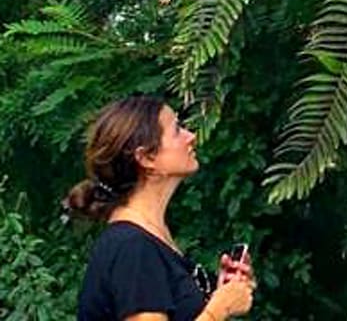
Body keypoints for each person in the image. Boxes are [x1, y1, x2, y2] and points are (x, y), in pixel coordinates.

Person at [65, 93, 256, 321]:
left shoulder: (150, 238)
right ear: (146, 158)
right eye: (177, 130)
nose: (191, 136)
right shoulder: (132, 248)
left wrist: (221, 294)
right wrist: (219, 309)